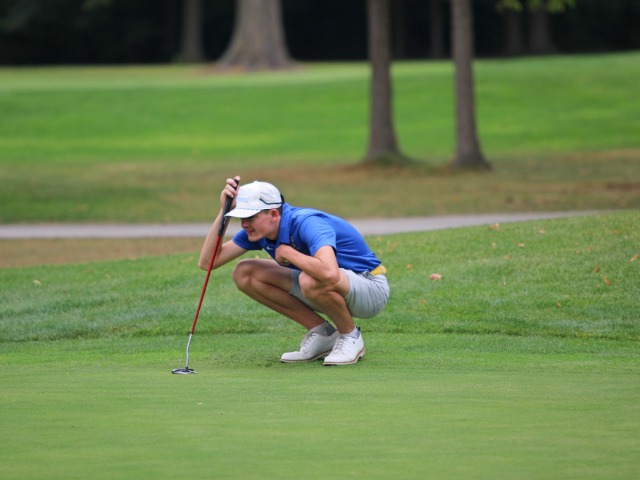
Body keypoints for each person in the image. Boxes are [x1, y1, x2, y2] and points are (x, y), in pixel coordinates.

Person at [199, 176, 390, 366]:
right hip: (334, 285)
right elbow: (208, 262)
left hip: (371, 288)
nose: (244, 224)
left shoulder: (307, 223)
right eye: (241, 218)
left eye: (250, 217)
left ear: (274, 214)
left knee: (310, 279)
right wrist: (224, 212)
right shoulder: (260, 232)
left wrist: (289, 253)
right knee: (245, 272)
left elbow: (329, 273)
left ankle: (350, 336)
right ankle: (323, 335)